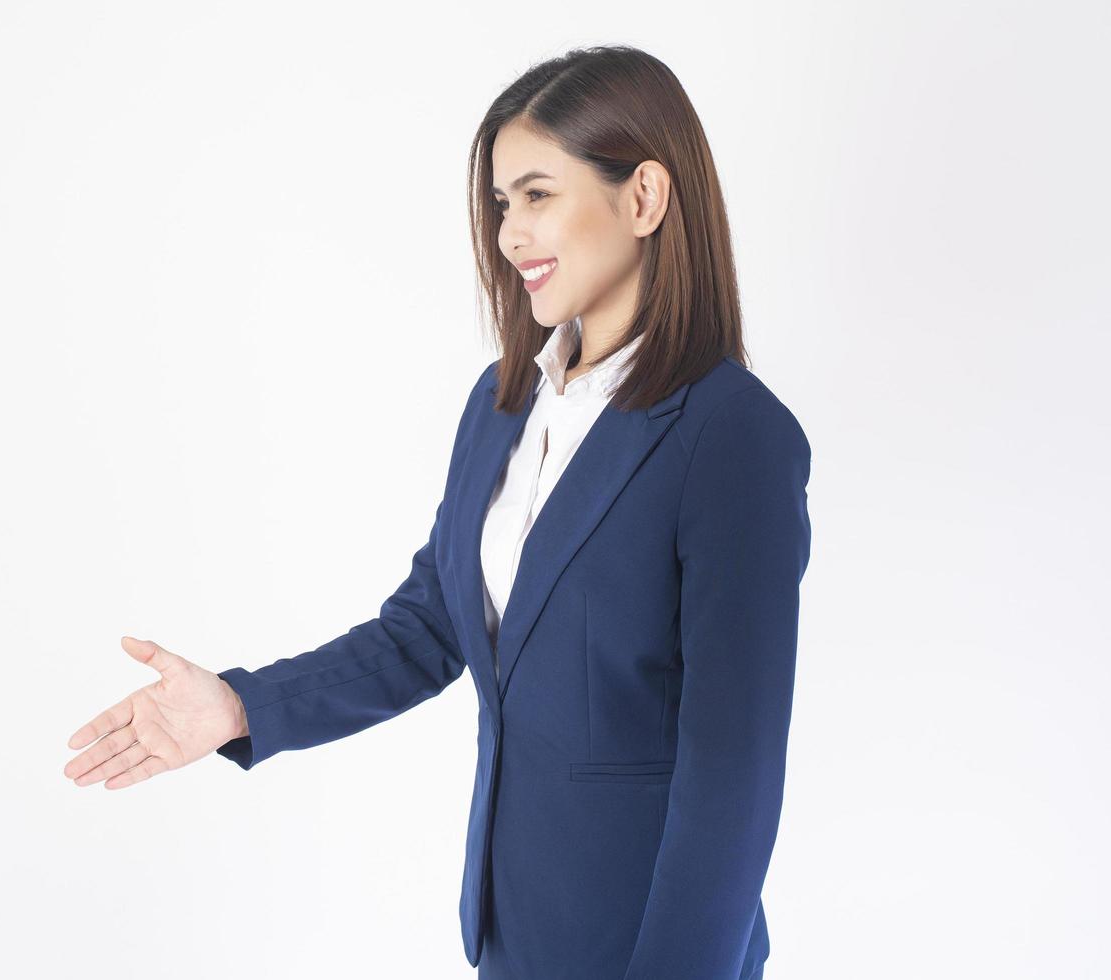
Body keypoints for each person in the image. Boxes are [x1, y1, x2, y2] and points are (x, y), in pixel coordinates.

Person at [64, 43, 811, 980]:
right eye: (502, 204)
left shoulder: (731, 434)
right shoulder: (504, 406)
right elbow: (427, 630)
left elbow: (733, 777)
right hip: (511, 935)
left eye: (538, 195)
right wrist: (238, 706)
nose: (508, 235)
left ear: (645, 198)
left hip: (651, 950)